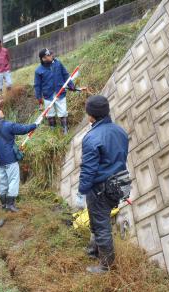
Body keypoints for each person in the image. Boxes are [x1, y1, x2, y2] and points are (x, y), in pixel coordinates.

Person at [76, 95, 129, 274]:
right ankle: (93, 249)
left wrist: (81, 191)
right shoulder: (120, 131)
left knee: (101, 224)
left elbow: (88, 170)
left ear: (91, 115)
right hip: (119, 183)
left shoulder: (91, 138)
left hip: (101, 188)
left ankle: (106, 266)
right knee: (98, 218)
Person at [0, 107, 38, 212]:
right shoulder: (8, 126)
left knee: (3, 181)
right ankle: (11, 204)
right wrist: (35, 125)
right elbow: (23, 129)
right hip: (10, 159)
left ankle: (4, 204)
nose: (1, 110)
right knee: (13, 180)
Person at [34, 48, 76, 134]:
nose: (51, 56)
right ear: (43, 59)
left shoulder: (58, 64)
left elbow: (65, 74)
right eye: (48, 56)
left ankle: (65, 129)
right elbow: (37, 86)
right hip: (48, 96)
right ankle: (53, 130)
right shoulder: (38, 71)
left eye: (50, 54)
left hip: (60, 92)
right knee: (50, 114)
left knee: (63, 112)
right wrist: (39, 98)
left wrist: (71, 84)